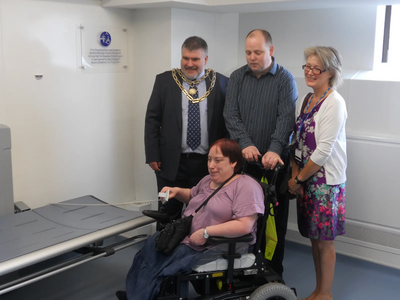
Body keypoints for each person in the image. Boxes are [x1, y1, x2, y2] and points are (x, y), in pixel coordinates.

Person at [118, 139, 264, 300]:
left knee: (167, 265)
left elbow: (244, 226)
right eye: (209, 159)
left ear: (233, 162)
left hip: (214, 244)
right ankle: (136, 295)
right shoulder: (209, 180)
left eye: (218, 160)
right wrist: (176, 191)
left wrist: (206, 233)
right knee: (150, 248)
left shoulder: (246, 187)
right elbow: (193, 195)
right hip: (188, 236)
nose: (211, 165)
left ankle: (148, 296)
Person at [223, 29, 298, 277]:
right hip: (244, 163)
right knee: (243, 216)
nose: (252, 57)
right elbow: (230, 115)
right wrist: (245, 143)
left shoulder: (285, 80)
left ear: (271, 50)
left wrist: (274, 149)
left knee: (273, 223)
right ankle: (244, 270)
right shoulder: (237, 77)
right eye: (248, 52)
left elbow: (286, 119)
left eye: (258, 52)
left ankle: (273, 272)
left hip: (274, 165)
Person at [144, 36, 229, 224]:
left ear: (205, 60)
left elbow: (228, 123)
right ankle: (163, 250)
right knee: (167, 215)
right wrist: (152, 154)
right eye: (185, 58)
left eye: (195, 59)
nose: (189, 64)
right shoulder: (164, 81)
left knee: (203, 215)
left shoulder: (222, 83)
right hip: (170, 162)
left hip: (207, 164)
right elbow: (152, 119)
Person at [288, 46, 347, 300]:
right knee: (313, 237)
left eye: (316, 68)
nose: (310, 72)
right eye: (307, 67)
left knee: (324, 241)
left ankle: (325, 293)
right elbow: (297, 140)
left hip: (325, 183)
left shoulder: (334, 102)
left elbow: (323, 151)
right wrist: (294, 176)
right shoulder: (308, 99)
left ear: (330, 72)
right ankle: (318, 289)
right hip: (304, 179)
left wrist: (298, 179)